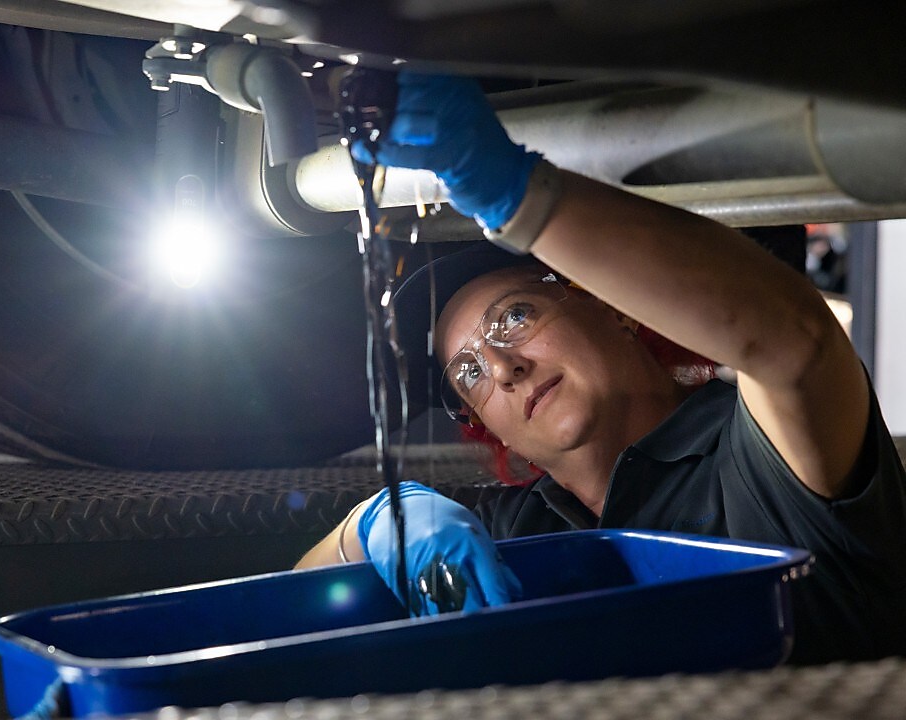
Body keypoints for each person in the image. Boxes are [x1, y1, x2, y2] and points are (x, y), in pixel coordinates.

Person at [296, 73, 906, 664]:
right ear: (491, 428)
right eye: (468, 374)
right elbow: (297, 600)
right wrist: (376, 521)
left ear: (614, 309)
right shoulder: (508, 530)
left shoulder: (753, 454)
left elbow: (794, 340)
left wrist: (520, 195)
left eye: (513, 318)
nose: (502, 368)